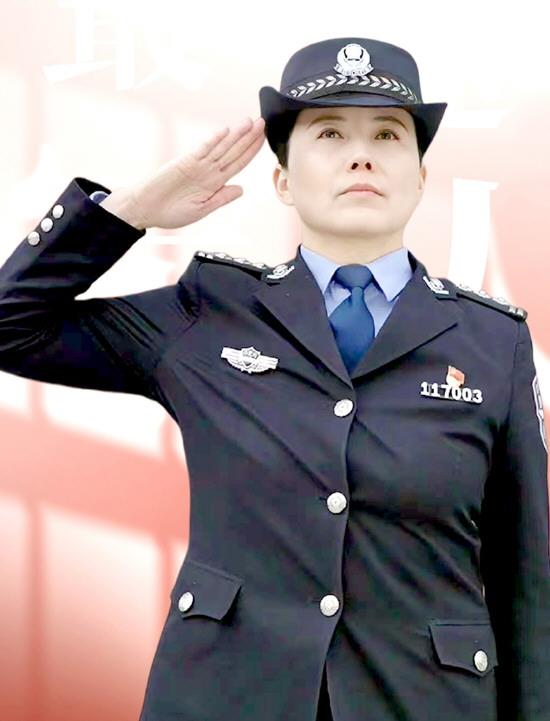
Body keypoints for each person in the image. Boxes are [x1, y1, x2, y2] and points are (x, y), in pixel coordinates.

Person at [0, 35, 549, 721]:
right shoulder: (210, 310)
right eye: (329, 133)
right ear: (283, 180)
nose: (361, 155)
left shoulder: (492, 341)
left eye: (387, 134)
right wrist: (128, 212)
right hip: (226, 697)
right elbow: (11, 326)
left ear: (420, 178)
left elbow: (525, 580)